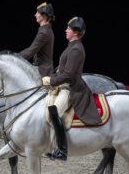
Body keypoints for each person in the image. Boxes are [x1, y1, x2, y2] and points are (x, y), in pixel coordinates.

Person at [42, 17, 101, 161]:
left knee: (53, 111)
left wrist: (51, 80)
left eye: (68, 28)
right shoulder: (71, 46)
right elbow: (62, 68)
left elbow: (68, 75)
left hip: (70, 89)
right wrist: (52, 75)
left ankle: (62, 150)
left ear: (75, 32)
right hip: (62, 85)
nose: (66, 30)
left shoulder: (77, 49)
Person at [19, 2, 55, 77]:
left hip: (42, 71)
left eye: (37, 13)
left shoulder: (44, 32)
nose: (35, 15)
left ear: (44, 16)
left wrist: (14, 57)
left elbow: (31, 51)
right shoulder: (44, 30)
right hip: (38, 68)